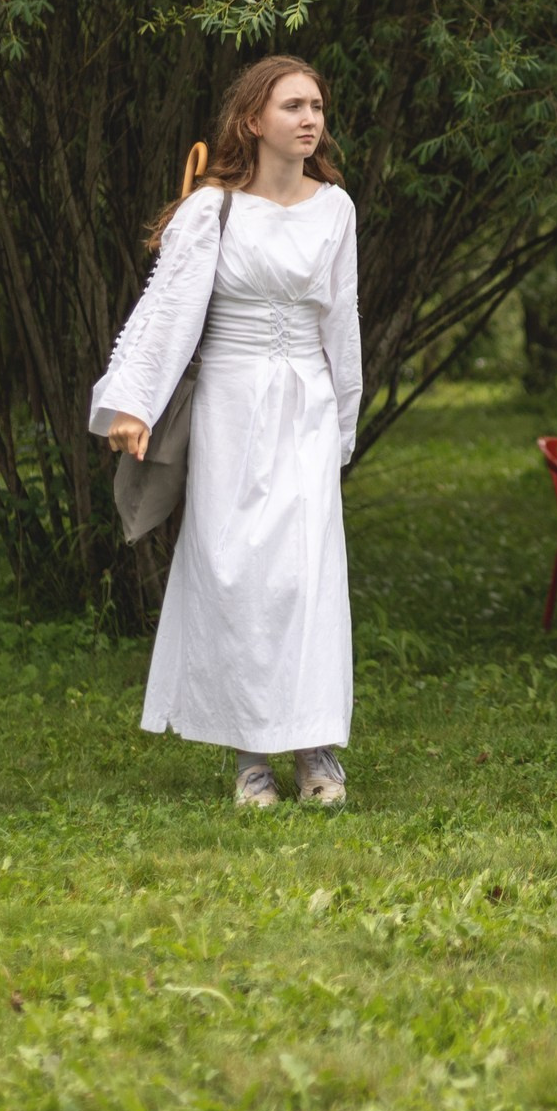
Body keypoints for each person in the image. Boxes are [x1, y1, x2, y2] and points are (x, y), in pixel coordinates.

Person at [91, 57, 363, 808]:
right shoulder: (212, 208)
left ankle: (316, 749)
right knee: (237, 571)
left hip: (303, 404)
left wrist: (343, 418)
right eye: (292, 106)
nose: (309, 119)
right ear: (254, 120)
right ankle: (251, 755)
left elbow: (342, 320)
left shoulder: (334, 208)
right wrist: (133, 403)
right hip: (230, 403)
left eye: (316, 106)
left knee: (305, 574)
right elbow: (166, 311)